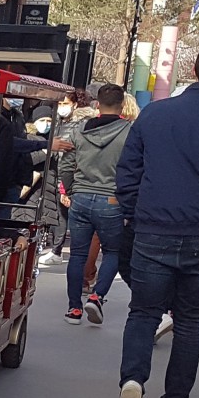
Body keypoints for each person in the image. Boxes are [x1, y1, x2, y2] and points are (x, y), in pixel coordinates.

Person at [113, 41, 199, 398]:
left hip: (153, 228)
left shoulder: (155, 114)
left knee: (143, 312)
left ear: (195, 69)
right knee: (191, 320)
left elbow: (128, 172)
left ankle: (133, 383)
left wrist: (134, 211)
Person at [58, 83, 132, 325]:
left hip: (80, 197)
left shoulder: (79, 130)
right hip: (112, 199)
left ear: (97, 104)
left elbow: (66, 164)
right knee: (112, 252)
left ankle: (73, 308)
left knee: (78, 254)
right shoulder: (129, 132)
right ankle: (97, 296)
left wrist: (70, 189)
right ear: (122, 105)